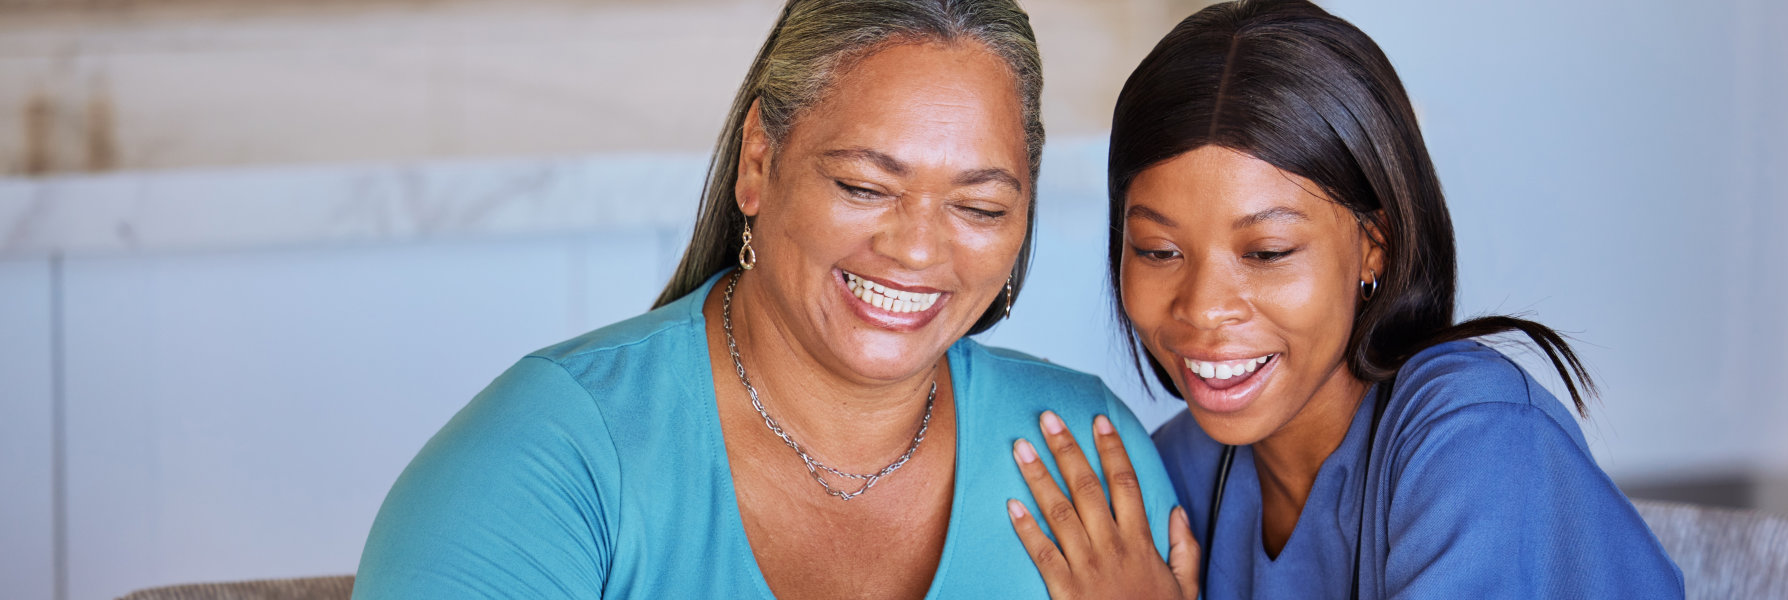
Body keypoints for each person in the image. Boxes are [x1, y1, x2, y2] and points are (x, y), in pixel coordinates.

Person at [352, 1, 1181, 598]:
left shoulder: (1089, 460)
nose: (919, 249)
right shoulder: (549, 459)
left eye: (980, 207)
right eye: (864, 185)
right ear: (759, 162)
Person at [1002, 1, 1684, 598]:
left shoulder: (1476, 439)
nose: (1203, 308)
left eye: (1266, 253)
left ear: (1374, 245)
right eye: (1158, 251)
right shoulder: (1180, 470)